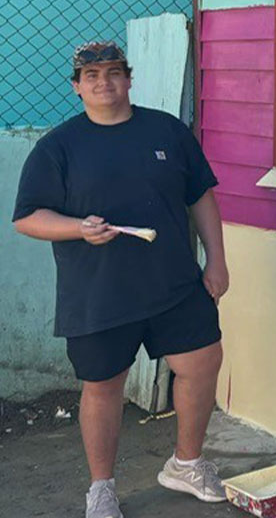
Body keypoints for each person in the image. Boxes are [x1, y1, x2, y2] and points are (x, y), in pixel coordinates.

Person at [11, 41, 230, 518]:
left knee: (202, 362)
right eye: (91, 76)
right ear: (77, 87)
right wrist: (77, 229)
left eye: (113, 73)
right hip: (98, 294)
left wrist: (217, 260)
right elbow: (27, 217)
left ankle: (186, 462)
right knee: (104, 386)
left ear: (129, 79)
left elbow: (201, 198)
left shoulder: (166, 131)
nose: (103, 83)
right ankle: (102, 487)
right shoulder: (58, 147)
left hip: (172, 283)